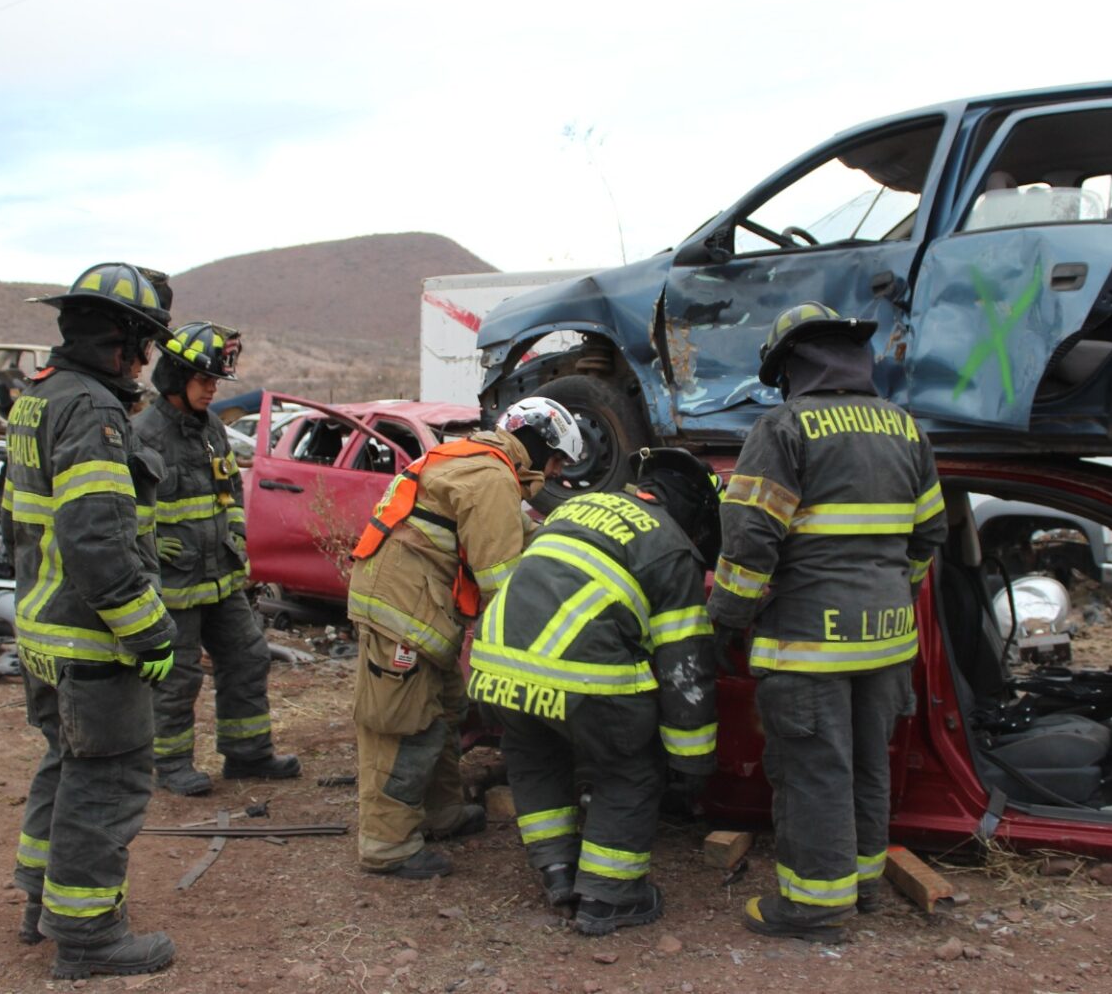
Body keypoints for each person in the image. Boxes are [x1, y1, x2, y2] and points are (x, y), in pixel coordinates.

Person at [705, 301, 948, 941]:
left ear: (790, 367)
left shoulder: (784, 427)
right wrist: (893, 596)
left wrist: (727, 619)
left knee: (814, 771)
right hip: (888, 643)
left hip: (808, 644)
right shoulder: (905, 428)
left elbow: (751, 539)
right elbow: (927, 537)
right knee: (869, 763)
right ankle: (862, 884)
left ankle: (814, 907)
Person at [5, 262, 179, 979]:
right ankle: (87, 937)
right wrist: (149, 630)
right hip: (92, 639)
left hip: (44, 634)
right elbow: (98, 538)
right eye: (147, 345)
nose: (147, 362)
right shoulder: (96, 412)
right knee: (105, 779)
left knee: (64, 764)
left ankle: (38, 902)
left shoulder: (36, 399)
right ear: (126, 340)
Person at [469, 447, 721, 935]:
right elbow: (684, 666)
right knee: (629, 765)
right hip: (579, 676)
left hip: (496, 663)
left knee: (535, 753)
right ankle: (611, 897)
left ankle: (557, 871)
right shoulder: (671, 546)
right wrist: (691, 762)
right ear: (694, 513)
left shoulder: (577, 507)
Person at [347, 396, 585, 878]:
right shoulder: (491, 477)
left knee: (444, 710)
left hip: (419, 608)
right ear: (537, 443)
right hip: (403, 613)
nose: (556, 473)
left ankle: (441, 813)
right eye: (556, 459)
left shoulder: (481, 462)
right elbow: (502, 582)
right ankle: (387, 844)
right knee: (401, 725)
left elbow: (520, 533)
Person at [133, 321, 301, 796]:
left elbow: (229, 493)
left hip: (219, 577)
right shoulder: (142, 435)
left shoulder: (211, 430)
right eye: (203, 380)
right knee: (177, 675)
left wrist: (237, 542)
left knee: (248, 656)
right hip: (174, 583)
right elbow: (121, 509)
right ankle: (170, 765)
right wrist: (148, 547)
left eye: (214, 381)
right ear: (175, 378)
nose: (212, 390)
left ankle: (248, 754)